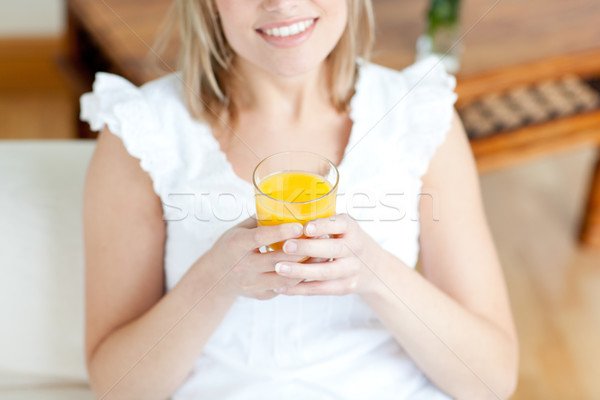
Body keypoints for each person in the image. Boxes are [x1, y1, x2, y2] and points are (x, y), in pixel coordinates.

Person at [81, 0, 519, 399]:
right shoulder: (140, 131)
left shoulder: (417, 114)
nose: (283, 4)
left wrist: (375, 273)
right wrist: (216, 278)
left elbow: (492, 378)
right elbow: (118, 387)